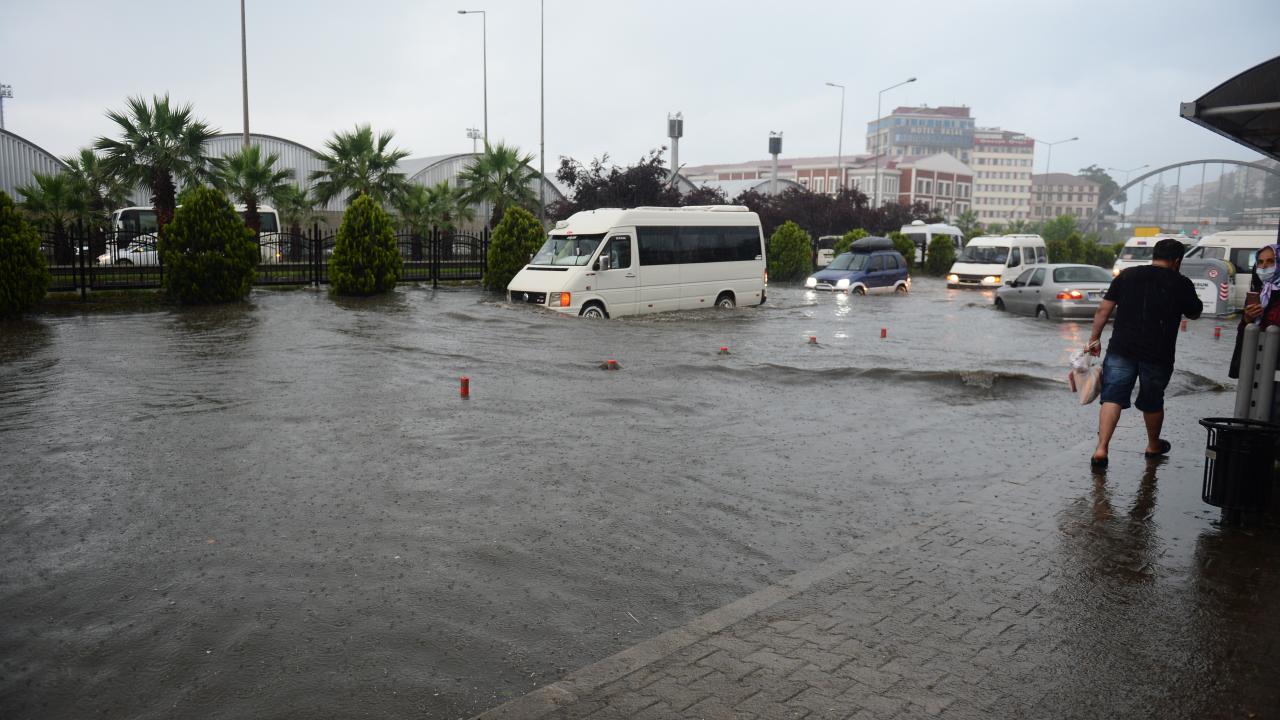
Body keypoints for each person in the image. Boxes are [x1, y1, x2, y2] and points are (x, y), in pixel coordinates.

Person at [1087, 238, 1203, 468]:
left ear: (1154, 255)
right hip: (1158, 354)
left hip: (1121, 348)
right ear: (1177, 261)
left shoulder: (1127, 275)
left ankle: (1101, 449)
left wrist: (1094, 339)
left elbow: (1104, 309)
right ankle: (1152, 445)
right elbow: (1194, 312)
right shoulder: (1181, 283)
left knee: (1112, 397)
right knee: (1152, 400)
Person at [1228, 244, 1280, 415]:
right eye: (1260, 262)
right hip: (1256, 369)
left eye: (1270, 261)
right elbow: (1244, 331)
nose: (1264, 266)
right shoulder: (1259, 293)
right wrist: (1248, 318)